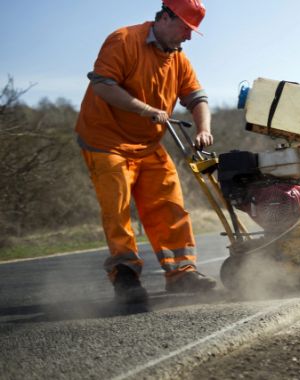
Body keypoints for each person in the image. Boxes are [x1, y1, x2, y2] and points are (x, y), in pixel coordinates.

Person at [75, 0, 216, 304]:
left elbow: (196, 97)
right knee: (118, 206)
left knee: (169, 202)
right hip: (106, 140)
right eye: (187, 29)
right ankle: (125, 276)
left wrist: (203, 129)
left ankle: (181, 274)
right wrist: (145, 109)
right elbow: (103, 85)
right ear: (166, 17)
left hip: (148, 144)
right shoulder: (124, 40)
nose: (189, 37)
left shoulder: (178, 59)